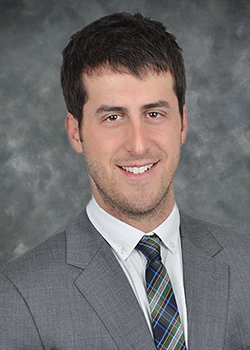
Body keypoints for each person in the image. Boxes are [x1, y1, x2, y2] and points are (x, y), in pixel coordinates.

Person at [0, 12, 250, 350]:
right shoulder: (19, 296)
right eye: (113, 117)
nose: (138, 144)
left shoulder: (244, 264)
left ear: (182, 123)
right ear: (76, 132)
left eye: (154, 113)